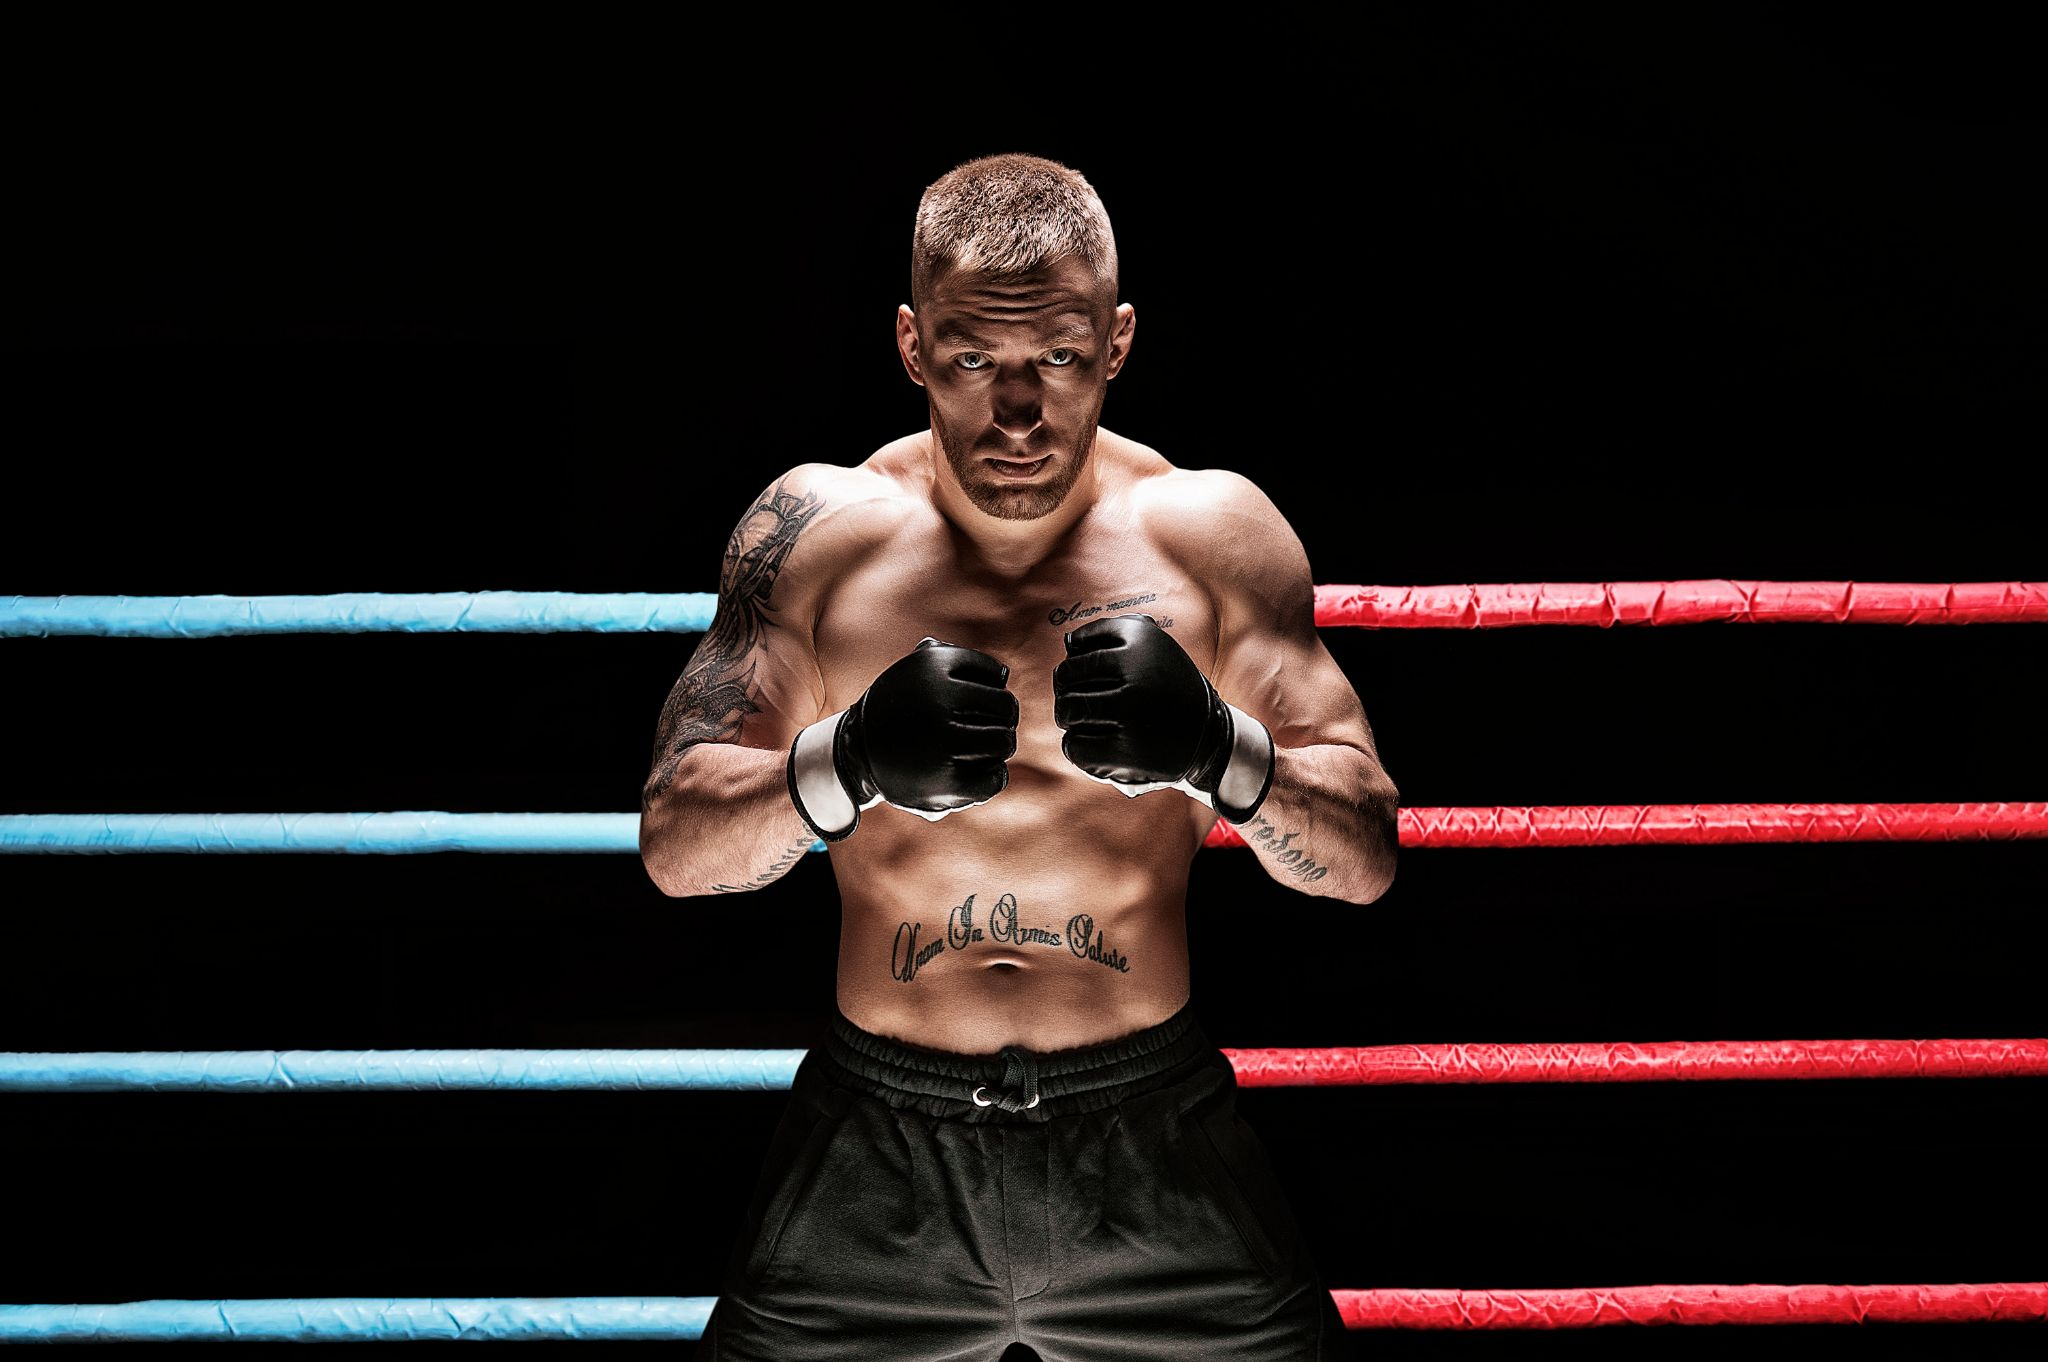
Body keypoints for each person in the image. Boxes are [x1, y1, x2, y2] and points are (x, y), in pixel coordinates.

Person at [640, 152, 1398, 1361]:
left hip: (1147, 1130)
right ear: (909, 346)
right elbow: (677, 844)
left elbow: (1363, 855)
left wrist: (1220, 750)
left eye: (1054, 358)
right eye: (971, 360)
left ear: (1116, 342)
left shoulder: (1210, 536)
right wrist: (848, 759)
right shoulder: (820, 536)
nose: (1016, 415)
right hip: (876, 1144)